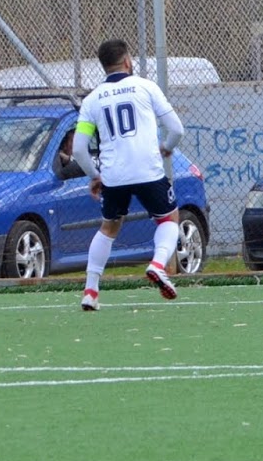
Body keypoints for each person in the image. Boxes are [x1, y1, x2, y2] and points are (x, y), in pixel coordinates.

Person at [71, 39, 186, 310]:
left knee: (109, 227)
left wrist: (94, 175)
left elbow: (78, 149)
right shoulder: (146, 87)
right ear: (127, 61)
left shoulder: (92, 100)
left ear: (104, 66)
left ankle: (91, 291)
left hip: (114, 175)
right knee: (169, 218)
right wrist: (167, 147)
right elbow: (176, 129)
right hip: (147, 169)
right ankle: (158, 265)